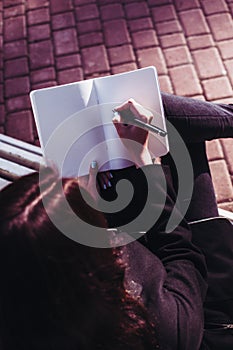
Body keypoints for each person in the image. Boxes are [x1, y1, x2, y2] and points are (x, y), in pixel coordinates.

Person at [0, 92, 232, 349]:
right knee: (159, 119)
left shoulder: (31, 308)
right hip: (201, 303)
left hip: (131, 256)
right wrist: (146, 167)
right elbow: (181, 253)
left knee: (140, 117)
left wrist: (89, 208)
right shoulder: (156, 328)